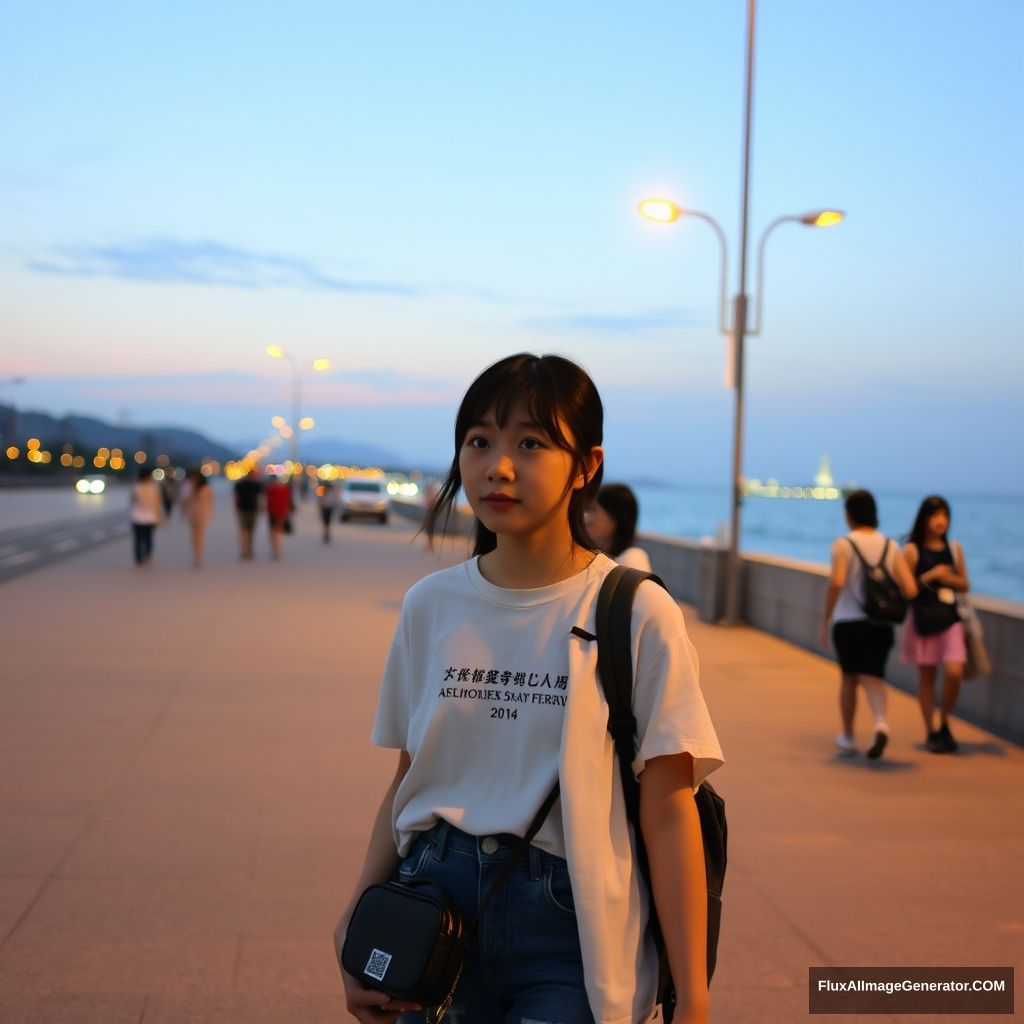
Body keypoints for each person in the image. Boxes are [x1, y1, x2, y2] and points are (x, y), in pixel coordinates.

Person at [335, 353, 723, 1024]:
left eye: (531, 443)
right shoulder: (431, 605)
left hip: (570, 923)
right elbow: (409, 778)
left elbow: (669, 806)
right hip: (432, 904)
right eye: (480, 440)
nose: (498, 466)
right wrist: (354, 923)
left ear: (587, 465)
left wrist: (691, 992)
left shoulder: (633, 611)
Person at [820, 489, 917, 759]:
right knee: (873, 677)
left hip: (847, 623)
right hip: (880, 624)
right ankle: (880, 723)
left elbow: (837, 582)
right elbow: (910, 588)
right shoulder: (890, 546)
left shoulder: (843, 544)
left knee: (849, 678)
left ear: (849, 514)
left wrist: (826, 617)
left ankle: (848, 736)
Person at [902, 496, 969, 753]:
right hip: (923, 621)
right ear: (924, 518)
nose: (940, 520)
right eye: (935, 515)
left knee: (954, 672)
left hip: (950, 619)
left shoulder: (954, 548)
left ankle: (945, 722)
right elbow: (907, 590)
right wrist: (932, 576)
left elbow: (965, 584)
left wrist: (949, 579)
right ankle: (931, 730)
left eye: (944, 515)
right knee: (927, 678)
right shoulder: (912, 550)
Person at [586, 482, 652, 571]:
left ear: (614, 519)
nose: (586, 518)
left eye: (593, 510)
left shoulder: (631, 559)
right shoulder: (599, 559)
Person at [129, 468, 163, 566]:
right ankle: (147, 554)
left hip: (137, 517)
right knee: (148, 537)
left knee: (138, 539)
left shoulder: (135, 488)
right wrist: (158, 517)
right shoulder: (154, 488)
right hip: (150, 517)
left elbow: (131, 502)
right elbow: (157, 504)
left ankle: (138, 559)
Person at [182, 470, 214, 568]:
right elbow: (184, 501)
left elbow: (210, 502)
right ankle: (196, 555)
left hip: (202, 514)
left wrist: (210, 513)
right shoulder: (190, 487)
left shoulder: (206, 488)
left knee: (199, 535)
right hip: (193, 514)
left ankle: (198, 556)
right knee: (194, 535)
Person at [233, 467, 264, 559]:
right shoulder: (256, 484)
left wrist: (236, 508)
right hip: (253, 509)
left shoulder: (239, 484)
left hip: (242, 509)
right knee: (250, 531)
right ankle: (249, 549)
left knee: (244, 530)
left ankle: (244, 550)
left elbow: (236, 498)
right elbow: (260, 498)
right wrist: (261, 507)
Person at [265, 475, 294, 560]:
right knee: (279, 531)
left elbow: (267, 500)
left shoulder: (269, 489)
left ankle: (275, 549)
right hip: (281, 512)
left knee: (273, 531)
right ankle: (277, 550)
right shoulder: (285, 489)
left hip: (273, 512)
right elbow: (288, 501)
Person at [317, 479, 340, 543]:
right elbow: (320, 500)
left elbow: (320, 500)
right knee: (327, 522)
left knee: (326, 522)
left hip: (327, 508)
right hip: (326, 508)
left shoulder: (330, 491)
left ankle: (326, 533)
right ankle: (326, 533)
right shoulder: (324, 491)